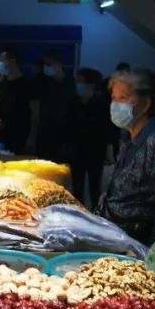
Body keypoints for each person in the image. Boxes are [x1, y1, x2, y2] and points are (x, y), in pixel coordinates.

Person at [95, 68, 155, 245]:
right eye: (113, 97)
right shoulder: (127, 136)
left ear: (146, 104)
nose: (115, 104)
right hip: (114, 235)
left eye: (123, 98)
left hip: (138, 243)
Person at [67, 67, 112, 206]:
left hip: (95, 150)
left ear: (90, 84)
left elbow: (108, 129)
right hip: (77, 150)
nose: (77, 85)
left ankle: (96, 214)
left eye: (80, 81)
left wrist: (108, 151)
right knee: (77, 187)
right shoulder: (74, 102)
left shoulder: (102, 103)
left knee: (94, 187)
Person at [0, 47, 39, 154]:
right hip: (1, 136)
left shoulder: (28, 84)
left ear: (13, 61)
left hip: (21, 137)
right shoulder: (2, 83)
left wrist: (32, 137)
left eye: (2, 60)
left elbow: (36, 113)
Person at [37, 49, 74, 162]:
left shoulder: (71, 84)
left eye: (48, 64)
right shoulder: (44, 83)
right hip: (45, 135)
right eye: (45, 64)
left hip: (63, 137)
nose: (46, 67)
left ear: (58, 64)